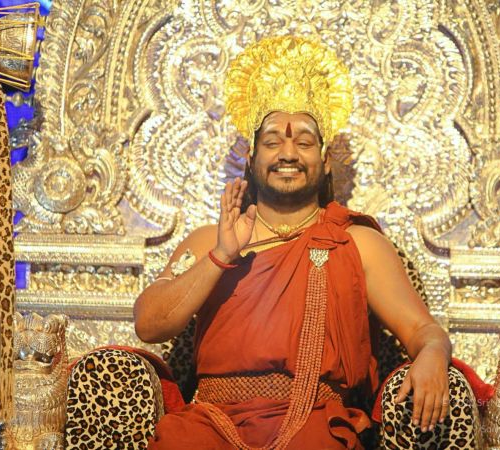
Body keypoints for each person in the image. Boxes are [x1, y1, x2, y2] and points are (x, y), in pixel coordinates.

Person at [133, 36, 469, 449]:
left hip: (313, 424)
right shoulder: (210, 239)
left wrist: (433, 353)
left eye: (304, 143)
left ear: (325, 162)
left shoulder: (357, 243)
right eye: (272, 142)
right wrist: (221, 256)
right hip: (211, 425)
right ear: (251, 160)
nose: (288, 154)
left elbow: (422, 330)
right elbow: (149, 325)